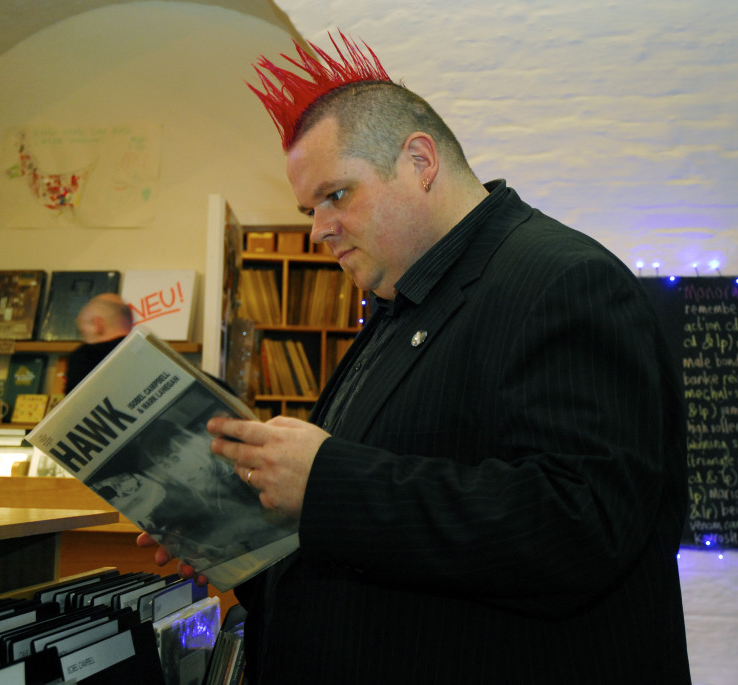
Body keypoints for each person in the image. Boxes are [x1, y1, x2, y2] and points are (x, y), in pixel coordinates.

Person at [140, 32, 691, 683]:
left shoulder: (561, 281)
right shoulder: (401, 305)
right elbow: (381, 538)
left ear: (420, 161)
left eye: (336, 195)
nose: (317, 229)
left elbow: (580, 525)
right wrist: (246, 543)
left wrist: (327, 482)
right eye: (309, 207)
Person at [65, 292, 133, 392]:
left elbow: (76, 406)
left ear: (98, 324)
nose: (85, 340)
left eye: (83, 333)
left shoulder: (84, 357)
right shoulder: (148, 349)